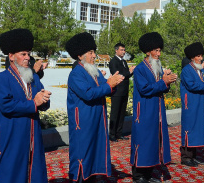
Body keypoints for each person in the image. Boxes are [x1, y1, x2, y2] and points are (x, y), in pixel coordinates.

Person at [0, 28, 51, 183]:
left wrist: (44, 100)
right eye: (23, 54)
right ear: (11, 56)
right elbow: (7, 106)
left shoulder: (33, 78)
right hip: (11, 136)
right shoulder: (1, 79)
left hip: (33, 136)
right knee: (11, 172)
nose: (27, 58)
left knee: (34, 170)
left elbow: (42, 102)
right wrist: (34, 103)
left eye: (28, 54)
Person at [66, 32, 124, 182]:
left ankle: (95, 175)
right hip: (83, 122)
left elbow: (105, 86)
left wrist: (113, 83)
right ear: (80, 55)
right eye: (90, 52)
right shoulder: (76, 74)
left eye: (93, 52)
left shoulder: (94, 70)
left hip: (97, 118)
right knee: (83, 151)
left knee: (96, 149)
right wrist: (109, 85)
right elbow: (88, 94)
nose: (94, 55)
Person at [130, 32, 177, 183]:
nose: (158, 53)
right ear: (148, 51)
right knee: (143, 140)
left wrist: (168, 82)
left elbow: (160, 87)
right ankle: (138, 176)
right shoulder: (139, 69)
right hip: (143, 110)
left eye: (159, 50)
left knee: (154, 141)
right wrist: (164, 82)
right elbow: (145, 89)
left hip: (157, 110)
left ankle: (148, 174)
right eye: (156, 50)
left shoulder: (157, 67)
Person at [180, 42, 204, 167]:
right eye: (198, 56)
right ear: (192, 57)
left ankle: (195, 155)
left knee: (198, 127)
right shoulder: (186, 70)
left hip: (200, 102)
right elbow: (192, 85)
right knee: (189, 127)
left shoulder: (200, 70)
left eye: (201, 55)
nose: (201, 58)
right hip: (190, 103)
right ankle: (186, 157)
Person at [109, 43, 136, 142]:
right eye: (121, 50)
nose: (123, 52)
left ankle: (119, 133)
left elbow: (126, 75)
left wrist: (131, 72)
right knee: (115, 113)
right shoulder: (113, 62)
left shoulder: (124, 61)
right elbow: (118, 75)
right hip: (117, 91)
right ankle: (112, 134)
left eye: (124, 50)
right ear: (116, 50)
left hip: (124, 91)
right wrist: (129, 72)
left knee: (121, 114)